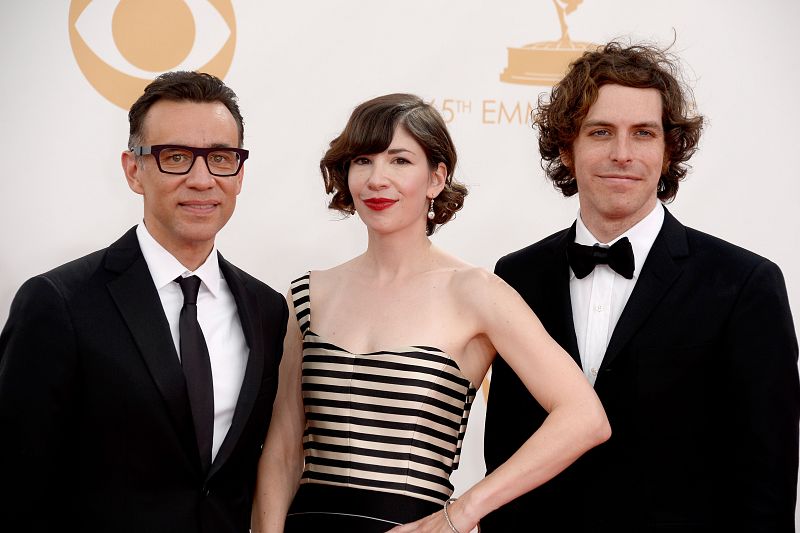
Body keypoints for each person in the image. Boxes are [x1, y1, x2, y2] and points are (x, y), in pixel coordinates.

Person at [250, 93, 610, 533]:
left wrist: (461, 513)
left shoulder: (476, 292)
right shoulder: (307, 294)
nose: (377, 179)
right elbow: (284, 450)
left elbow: (584, 418)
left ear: (436, 178)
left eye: (400, 161)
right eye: (363, 161)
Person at [483, 41, 800, 532]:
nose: (622, 153)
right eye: (601, 132)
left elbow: (767, 485)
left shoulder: (743, 284)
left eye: (643, 133)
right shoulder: (516, 276)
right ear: (567, 147)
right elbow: (504, 451)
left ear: (669, 148)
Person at [0, 71, 288, 532]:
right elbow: (15, 485)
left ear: (239, 173)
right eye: (176, 157)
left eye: (220, 158)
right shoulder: (58, 302)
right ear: (134, 170)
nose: (201, 179)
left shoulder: (268, 310)